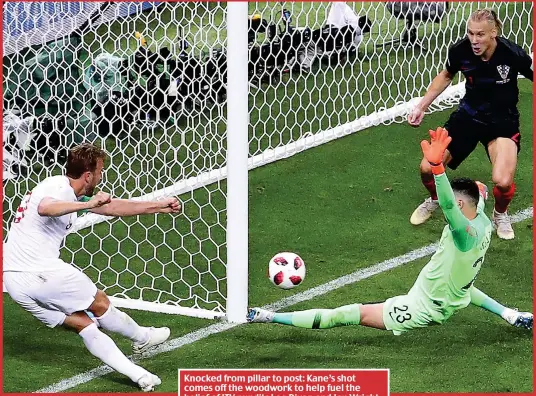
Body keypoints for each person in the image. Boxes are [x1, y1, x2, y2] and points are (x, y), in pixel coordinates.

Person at [247, 128, 533, 335]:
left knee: (348, 314)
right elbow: (471, 195)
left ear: (460, 205)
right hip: (453, 292)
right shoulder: (483, 223)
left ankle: (269, 317)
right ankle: (510, 313)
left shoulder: (464, 232)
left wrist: (437, 168)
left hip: (424, 306)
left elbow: (447, 202)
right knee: (463, 287)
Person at [3, 143, 182, 392]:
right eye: (100, 172)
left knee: (82, 324)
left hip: (14, 282)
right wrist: (88, 205)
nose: (101, 176)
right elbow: (46, 208)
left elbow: (113, 207)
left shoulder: (71, 192)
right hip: (42, 272)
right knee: (100, 305)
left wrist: (158, 206)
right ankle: (143, 338)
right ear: (88, 175)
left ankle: (140, 376)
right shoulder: (58, 187)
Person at [407, 9, 533, 240]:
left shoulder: (512, 54)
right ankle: (436, 198)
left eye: (480, 34)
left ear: (493, 33)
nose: (474, 40)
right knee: (427, 167)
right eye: (470, 33)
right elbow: (447, 75)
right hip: (468, 116)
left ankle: (500, 213)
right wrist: (421, 106)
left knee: (503, 182)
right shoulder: (460, 50)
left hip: (502, 120)